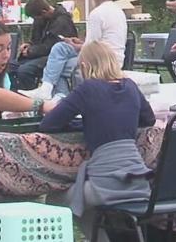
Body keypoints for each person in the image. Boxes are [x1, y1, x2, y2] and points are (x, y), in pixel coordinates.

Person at [41, 41, 156, 242]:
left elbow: (49, 124)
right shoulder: (130, 86)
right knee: (82, 202)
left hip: (107, 182)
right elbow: (149, 119)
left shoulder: (88, 89)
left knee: (56, 199)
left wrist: (82, 123)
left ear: (84, 66)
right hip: (138, 179)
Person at [22, 0, 127, 100]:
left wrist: (74, 45)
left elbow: (90, 49)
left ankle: (56, 95)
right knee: (60, 54)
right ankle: (55, 94)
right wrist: (78, 43)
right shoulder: (119, 12)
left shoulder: (97, 14)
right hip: (115, 58)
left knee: (58, 57)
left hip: (101, 61)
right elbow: (99, 42)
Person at [13, 0, 78, 90]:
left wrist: (31, 51)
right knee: (11, 67)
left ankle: (29, 98)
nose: (35, 20)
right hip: (39, 54)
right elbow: (35, 39)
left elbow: (52, 46)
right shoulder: (40, 19)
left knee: (25, 70)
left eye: (35, 17)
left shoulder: (62, 22)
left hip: (55, 57)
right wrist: (29, 44)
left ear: (43, 12)